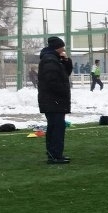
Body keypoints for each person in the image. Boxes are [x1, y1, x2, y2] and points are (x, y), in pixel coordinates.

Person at [37, 36, 73, 164]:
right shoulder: (50, 60)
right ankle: (55, 155)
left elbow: (66, 73)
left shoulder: (54, 59)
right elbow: (52, 81)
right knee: (56, 128)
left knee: (55, 127)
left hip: (53, 100)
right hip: (53, 100)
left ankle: (55, 154)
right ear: (57, 48)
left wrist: (66, 60)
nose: (63, 49)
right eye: (62, 47)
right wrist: (63, 92)